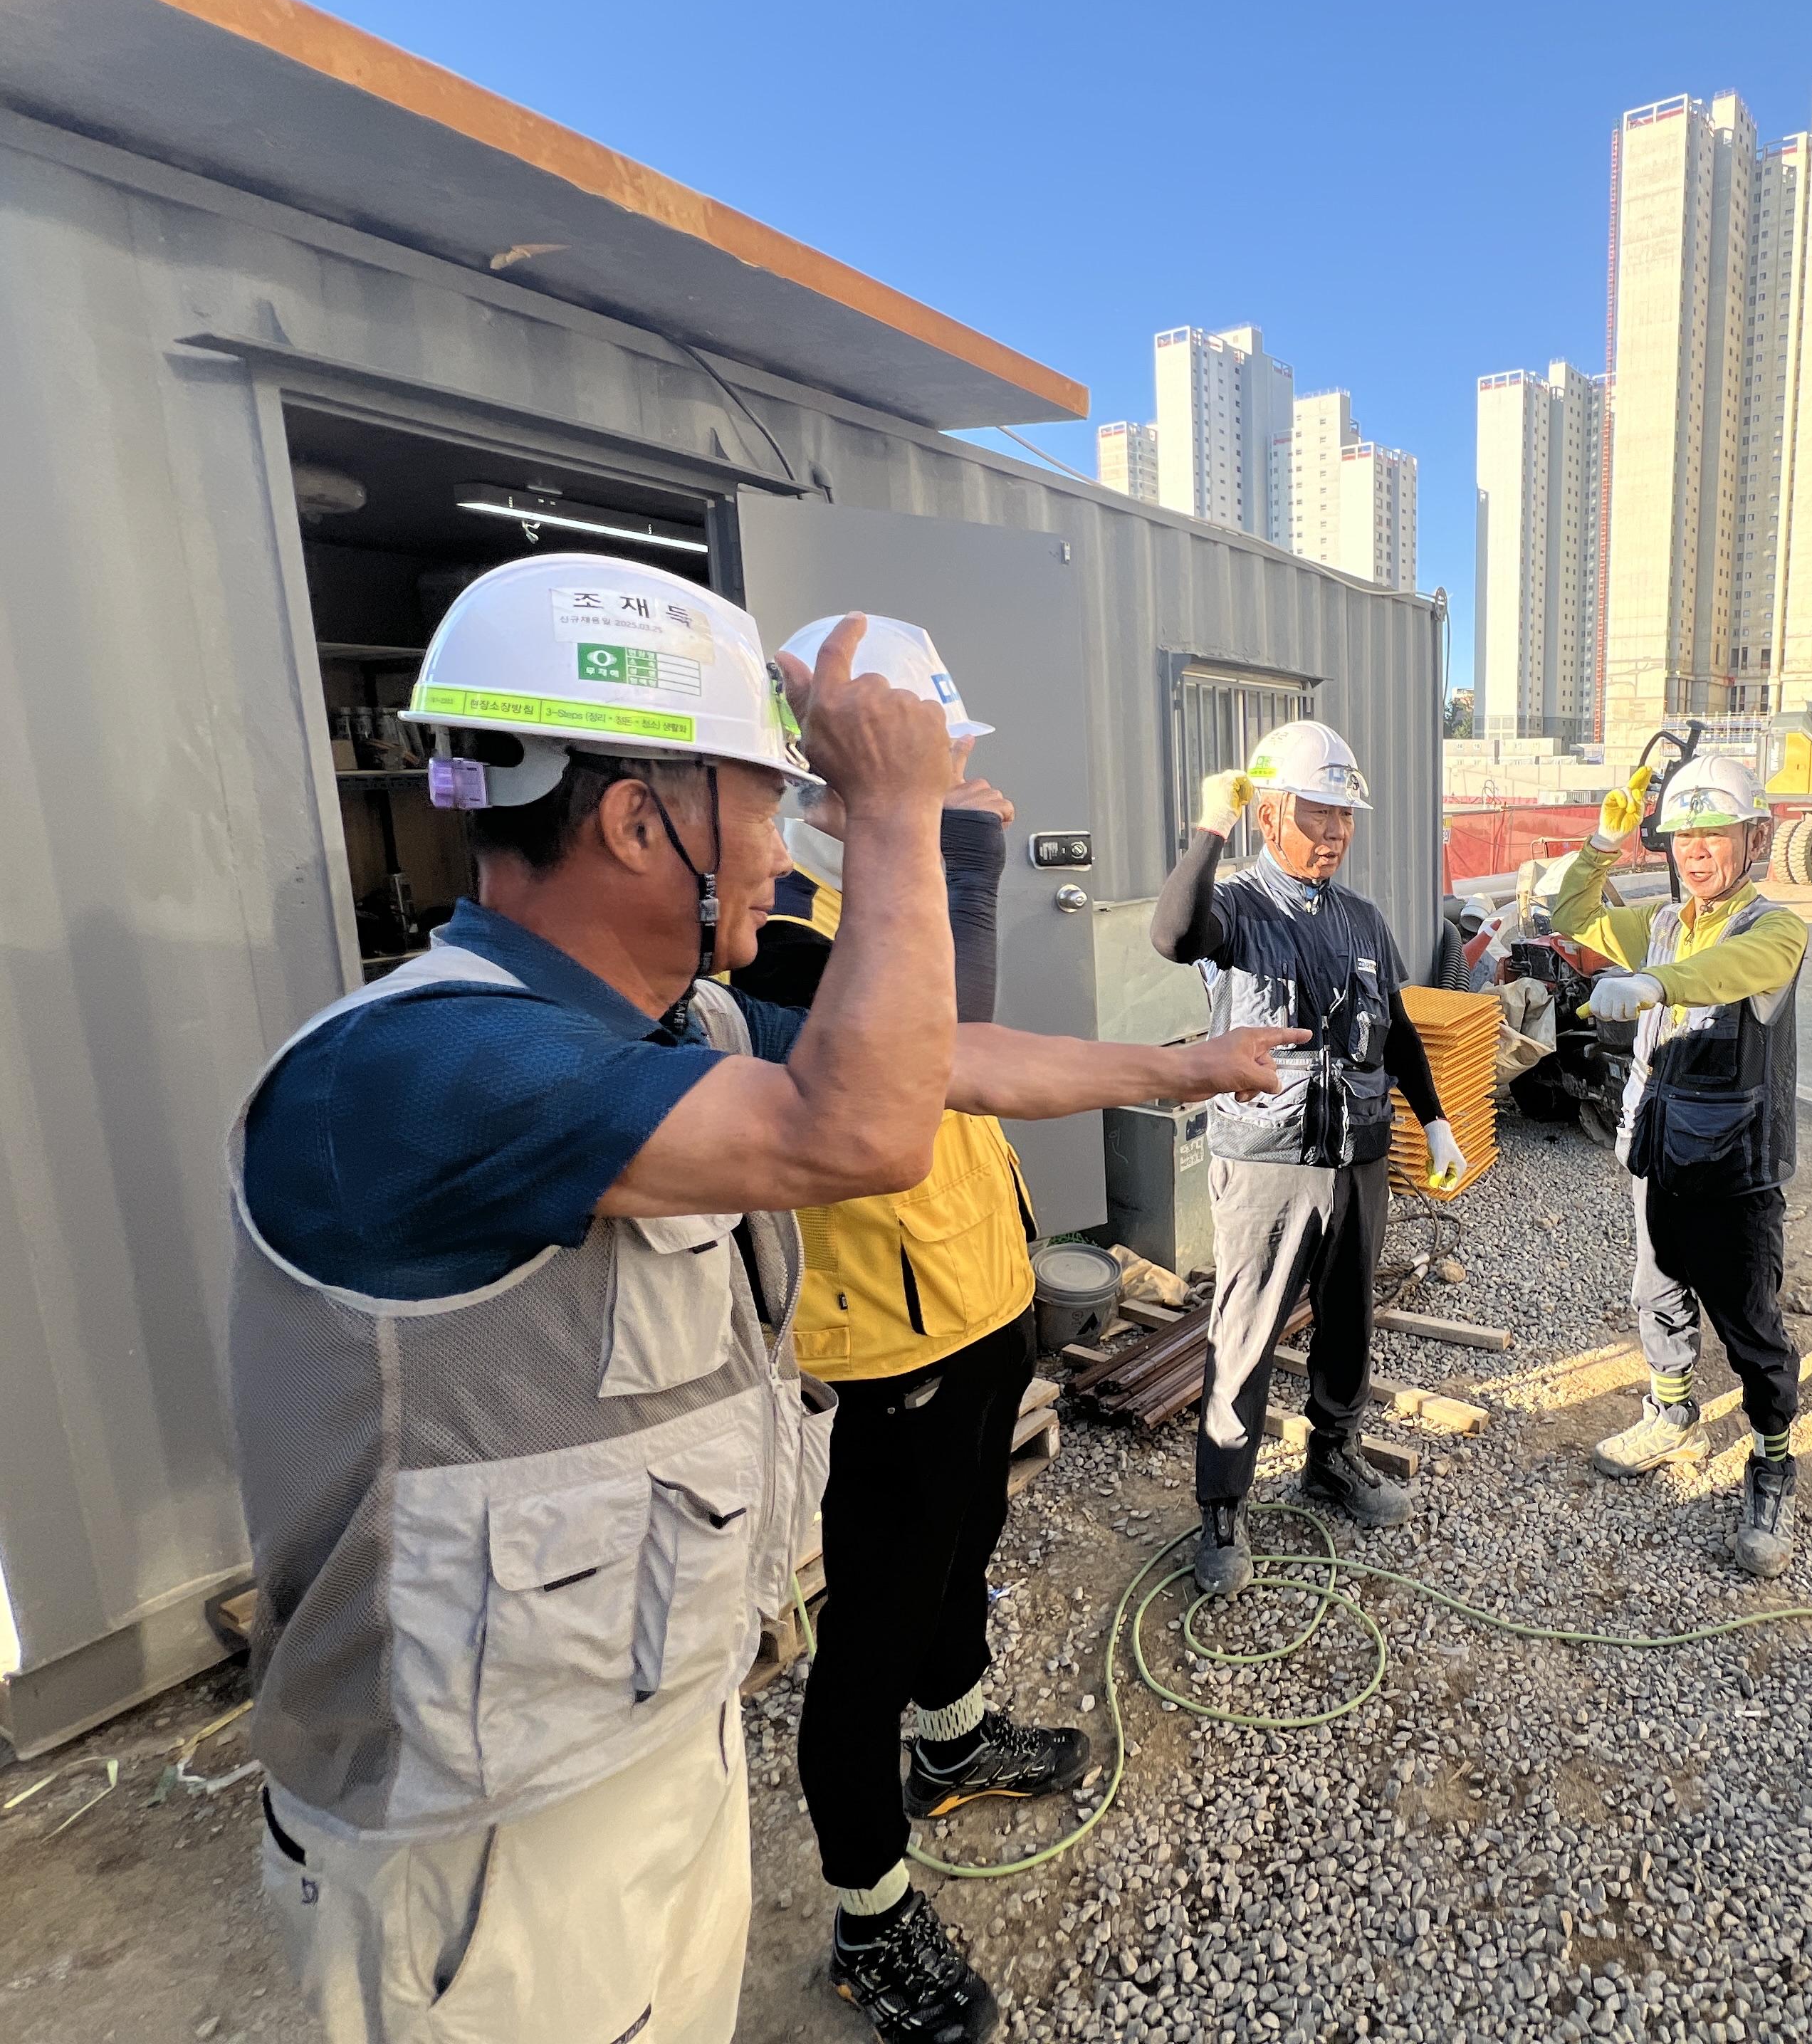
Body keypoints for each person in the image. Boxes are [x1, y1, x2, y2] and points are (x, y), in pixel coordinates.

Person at [228, 553, 1300, 2044]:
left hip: (638, 1740)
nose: (778, 830)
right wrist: (902, 817)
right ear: (635, 819)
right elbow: (863, 1128)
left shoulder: (673, 1024)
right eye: (761, 792)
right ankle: (875, 1905)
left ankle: (938, 1752)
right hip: (480, 1843)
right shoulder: (422, 1069)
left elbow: (949, 1061)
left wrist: (1179, 1068)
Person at [729, 615, 1084, 2044]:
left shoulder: (883, 892)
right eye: (930, 758)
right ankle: (869, 1916)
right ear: (845, 771)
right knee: (870, 1627)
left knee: (964, 1544)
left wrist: (935, 860)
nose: (960, 781)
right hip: (889, 1333)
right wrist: (962, 864)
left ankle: (956, 1739)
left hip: (975, 1292)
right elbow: (935, 1056)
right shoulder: (781, 929)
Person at [1149, 719, 1467, 1595]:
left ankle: (1334, 1456)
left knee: (1350, 1319)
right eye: (1316, 814)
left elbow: (1396, 1030)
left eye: (1344, 817)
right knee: (1246, 1331)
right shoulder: (1238, 907)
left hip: (1358, 1158)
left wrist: (1435, 1120)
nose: (1334, 833)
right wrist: (1208, 828)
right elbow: (1174, 936)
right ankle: (1222, 1506)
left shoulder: (1364, 920)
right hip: (1266, 1158)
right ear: (1269, 817)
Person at [1546, 753, 1812, 1577]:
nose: (1695, 852)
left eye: (1714, 835)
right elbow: (1570, 912)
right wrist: (1603, 842)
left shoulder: (1775, 930)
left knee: (1748, 1317)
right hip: (1658, 1149)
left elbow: (1728, 972)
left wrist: (1657, 985)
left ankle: (1772, 1461)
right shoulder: (1659, 921)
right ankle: (1670, 1414)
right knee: (1656, 1289)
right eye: (1682, 837)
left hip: (1736, 1165)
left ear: (1756, 838)